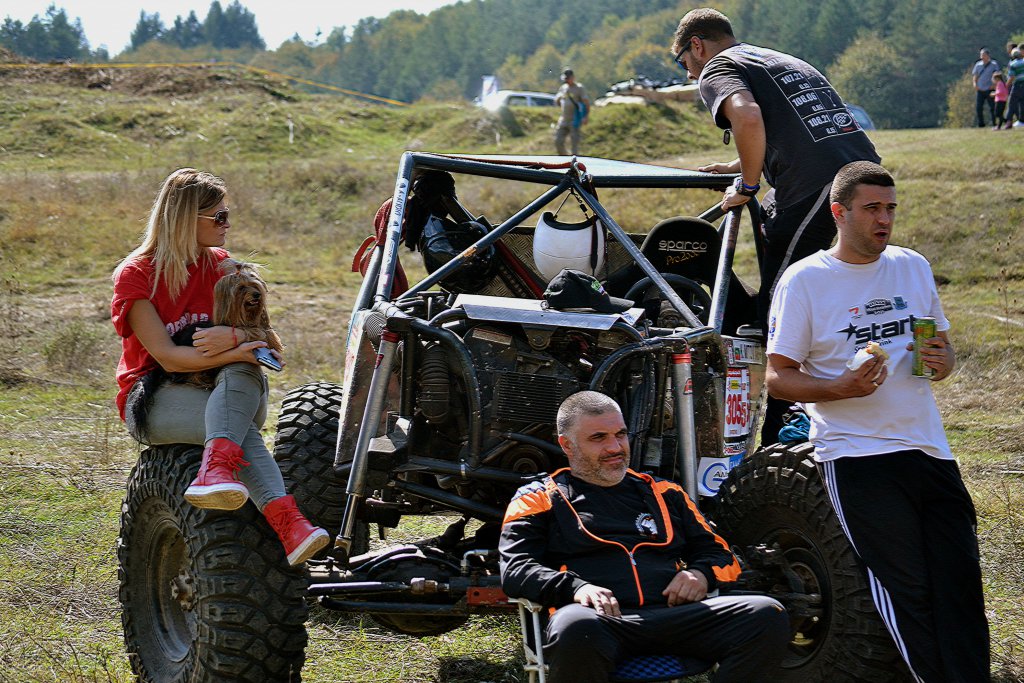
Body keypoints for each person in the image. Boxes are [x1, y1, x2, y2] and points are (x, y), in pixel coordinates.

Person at [765, 161, 990, 682]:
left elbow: (941, 350)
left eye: (890, 208)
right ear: (839, 213)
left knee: (960, 583)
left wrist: (943, 361)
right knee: (906, 590)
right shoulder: (806, 281)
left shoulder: (912, 265)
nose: (884, 219)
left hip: (928, 447)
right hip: (857, 454)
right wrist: (837, 388)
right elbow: (777, 379)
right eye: (871, 209)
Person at [670, 7, 880, 445]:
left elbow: (747, 118)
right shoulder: (772, 58)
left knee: (781, 303)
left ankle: (784, 432)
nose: (689, 74)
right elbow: (789, 125)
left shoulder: (717, 68)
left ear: (697, 45)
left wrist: (747, 185)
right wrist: (738, 165)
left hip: (821, 181)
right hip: (856, 169)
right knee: (780, 253)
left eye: (683, 61)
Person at [111, 168, 329, 567]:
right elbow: (167, 357)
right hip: (154, 396)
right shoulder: (137, 275)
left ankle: (217, 472)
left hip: (225, 389)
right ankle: (290, 525)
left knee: (243, 372)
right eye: (219, 217)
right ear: (184, 219)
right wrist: (235, 350)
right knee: (238, 428)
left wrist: (234, 338)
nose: (227, 225)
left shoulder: (225, 268)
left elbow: (265, 340)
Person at [499, 391, 790, 683]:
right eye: (598, 438)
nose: (615, 447)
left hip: (675, 618)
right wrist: (577, 588)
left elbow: (723, 557)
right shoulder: (537, 498)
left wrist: (700, 575)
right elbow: (516, 569)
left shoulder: (666, 493)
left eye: (620, 434)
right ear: (567, 445)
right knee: (576, 626)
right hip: (598, 622)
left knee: (766, 614)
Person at [553, 68, 590, 156]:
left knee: (574, 145)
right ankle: (564, 158)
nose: (566, 80)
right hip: (563, 119)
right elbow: (557, 100)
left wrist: (585, 116)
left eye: (568, 78)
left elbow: (586, 103)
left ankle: (573, 160)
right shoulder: (563, 88)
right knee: (558, 141)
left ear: (573, 77)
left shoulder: (579, 88)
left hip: (575, 120)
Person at [972, 48, 1000, 128]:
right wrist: (975, 84)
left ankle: (994, 123)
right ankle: (981, 124)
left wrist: (994, 85)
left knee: (992, 107)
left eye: (983, 55)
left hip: (990, 89)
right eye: (981, 55)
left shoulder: (994, 64)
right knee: (979, 107)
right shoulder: (978, 65)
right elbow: (975, 75)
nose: (982, 57)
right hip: (980, 89)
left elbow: (997, 75)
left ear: (988, 55)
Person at [1005, 48, 1024, 128]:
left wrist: (1006, 86)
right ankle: (1022, 121)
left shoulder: (1013, 64)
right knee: (1022, 103)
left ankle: (1008, 121)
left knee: (1011, 103)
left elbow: (1011, 77)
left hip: (1017, 85)